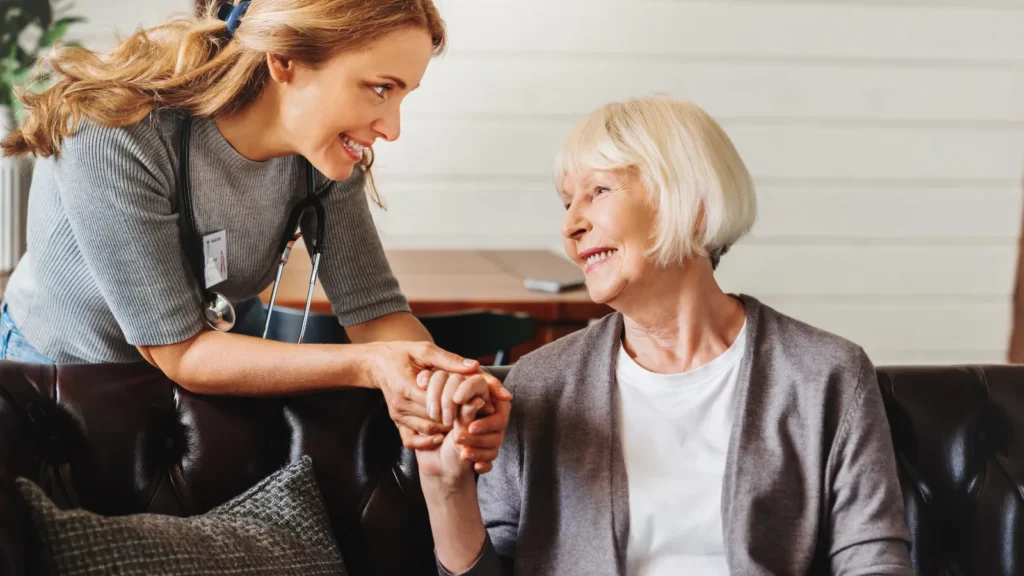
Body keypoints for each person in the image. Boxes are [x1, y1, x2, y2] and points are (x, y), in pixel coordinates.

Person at [413, 96, 915, 575]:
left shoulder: (824, 375)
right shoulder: (540, 383)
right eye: (567, 202)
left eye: (599, 191)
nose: (571, 225)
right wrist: (446, 489)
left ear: (692, 202)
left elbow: (873, 562)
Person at [0, 0, 510, 464]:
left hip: (202, 377)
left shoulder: (323, 157)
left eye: (403, 94)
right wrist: (372, 365)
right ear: (285, 60)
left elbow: (376, 313)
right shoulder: (115, 129)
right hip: (56, 377)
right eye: (380, 88)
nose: (392, 128)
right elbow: (181, 352)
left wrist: (447, 387)